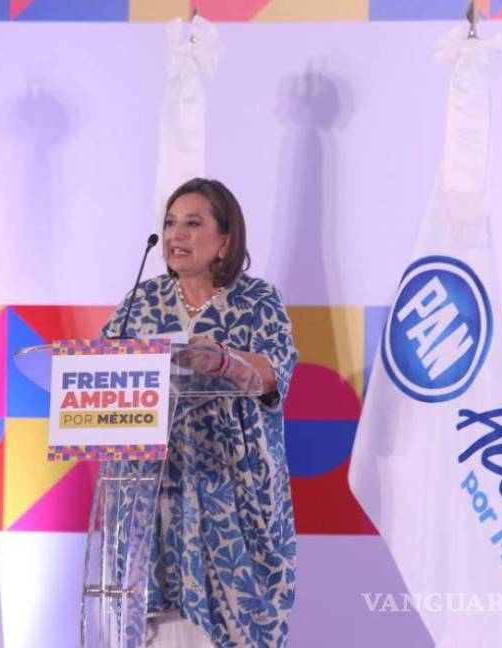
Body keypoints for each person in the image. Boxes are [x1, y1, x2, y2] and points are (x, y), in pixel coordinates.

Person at [102, 178, 298, 647]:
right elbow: (105, 371)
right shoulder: (140, 302)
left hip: (233, 490)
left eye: (192, 224)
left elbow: (275, 373)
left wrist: (223, 361)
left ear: (224, 240)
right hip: (155, 490)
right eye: (171, 223)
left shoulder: (257, 300)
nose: (176, 235)